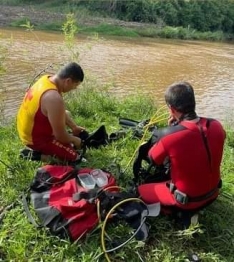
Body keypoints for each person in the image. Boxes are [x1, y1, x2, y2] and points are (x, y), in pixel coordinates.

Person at [137, 81, 226, 225]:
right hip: (214, 193)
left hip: (187, 201)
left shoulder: (170, 136)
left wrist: (170, 130)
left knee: (141, 190)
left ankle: (176, 212)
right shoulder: (216, 125)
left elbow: (153, 159)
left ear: (171, 109)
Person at [17, 62, 86, 163]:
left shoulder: (46, 79)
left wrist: (74, 127)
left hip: (25, 129)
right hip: (34, 139)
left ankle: (46, 148)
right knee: (75, 158)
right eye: (75, 85)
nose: (74, 89)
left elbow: (60, 112)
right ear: (68, 81)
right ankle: (36, 154)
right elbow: (61, 136)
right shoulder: (53, 98)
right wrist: (76, 140)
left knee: (66, 113)